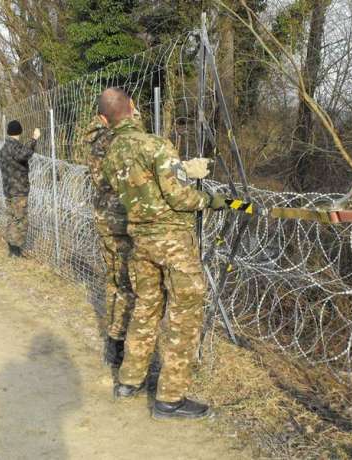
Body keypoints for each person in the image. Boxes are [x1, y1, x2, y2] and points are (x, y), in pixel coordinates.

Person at [100, 88, 226, 420]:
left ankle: (129, 380)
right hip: (172, 240)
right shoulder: (155, 144)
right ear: (133, 107)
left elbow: (142, 189)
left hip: (140, 240)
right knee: (185, 312)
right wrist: (213, 200)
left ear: (105, 119)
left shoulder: (111, 153)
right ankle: (170, 397)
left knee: (145, 307)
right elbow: (179, 198)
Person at [82, 115, 135, 368]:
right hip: (120, 217)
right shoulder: (116, 139)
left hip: (103, 214)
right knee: (126, 281)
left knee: (113, 279)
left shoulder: (94, 140)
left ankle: (114, 340)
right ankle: (118, 342)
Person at [0, 120, 40, 257]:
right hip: (18, 190)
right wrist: (34, 139)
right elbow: (23, 154)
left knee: (11, 218)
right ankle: (16, 250)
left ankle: (12, 248)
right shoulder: (14, 147)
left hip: (8, 189)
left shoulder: (4, 148)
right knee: (20, 220)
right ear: (19, 131)